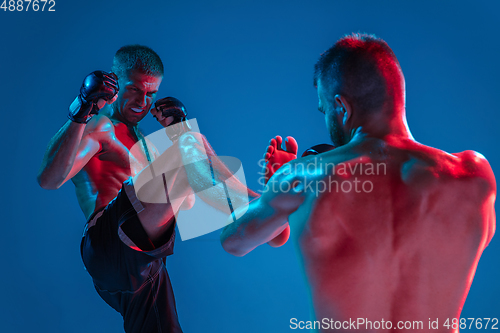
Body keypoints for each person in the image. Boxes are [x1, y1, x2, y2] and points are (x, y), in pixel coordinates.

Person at [220, 34, 496, 331]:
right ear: (398, 97)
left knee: (190, 148)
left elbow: (234, 241)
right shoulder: (473, 175)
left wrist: (279, 187)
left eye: (325, 110)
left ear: (342, 107)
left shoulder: (305, 175)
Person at [37, 45, 195, 333]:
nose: (142, 102)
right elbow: (49, 179)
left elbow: (188, 206)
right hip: (108, 239)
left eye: (150, 94)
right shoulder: (101, 126)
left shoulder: (148, 146)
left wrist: (179, 135)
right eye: (134, 90)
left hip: (140, 265)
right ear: (114, 83)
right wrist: (82, 107)